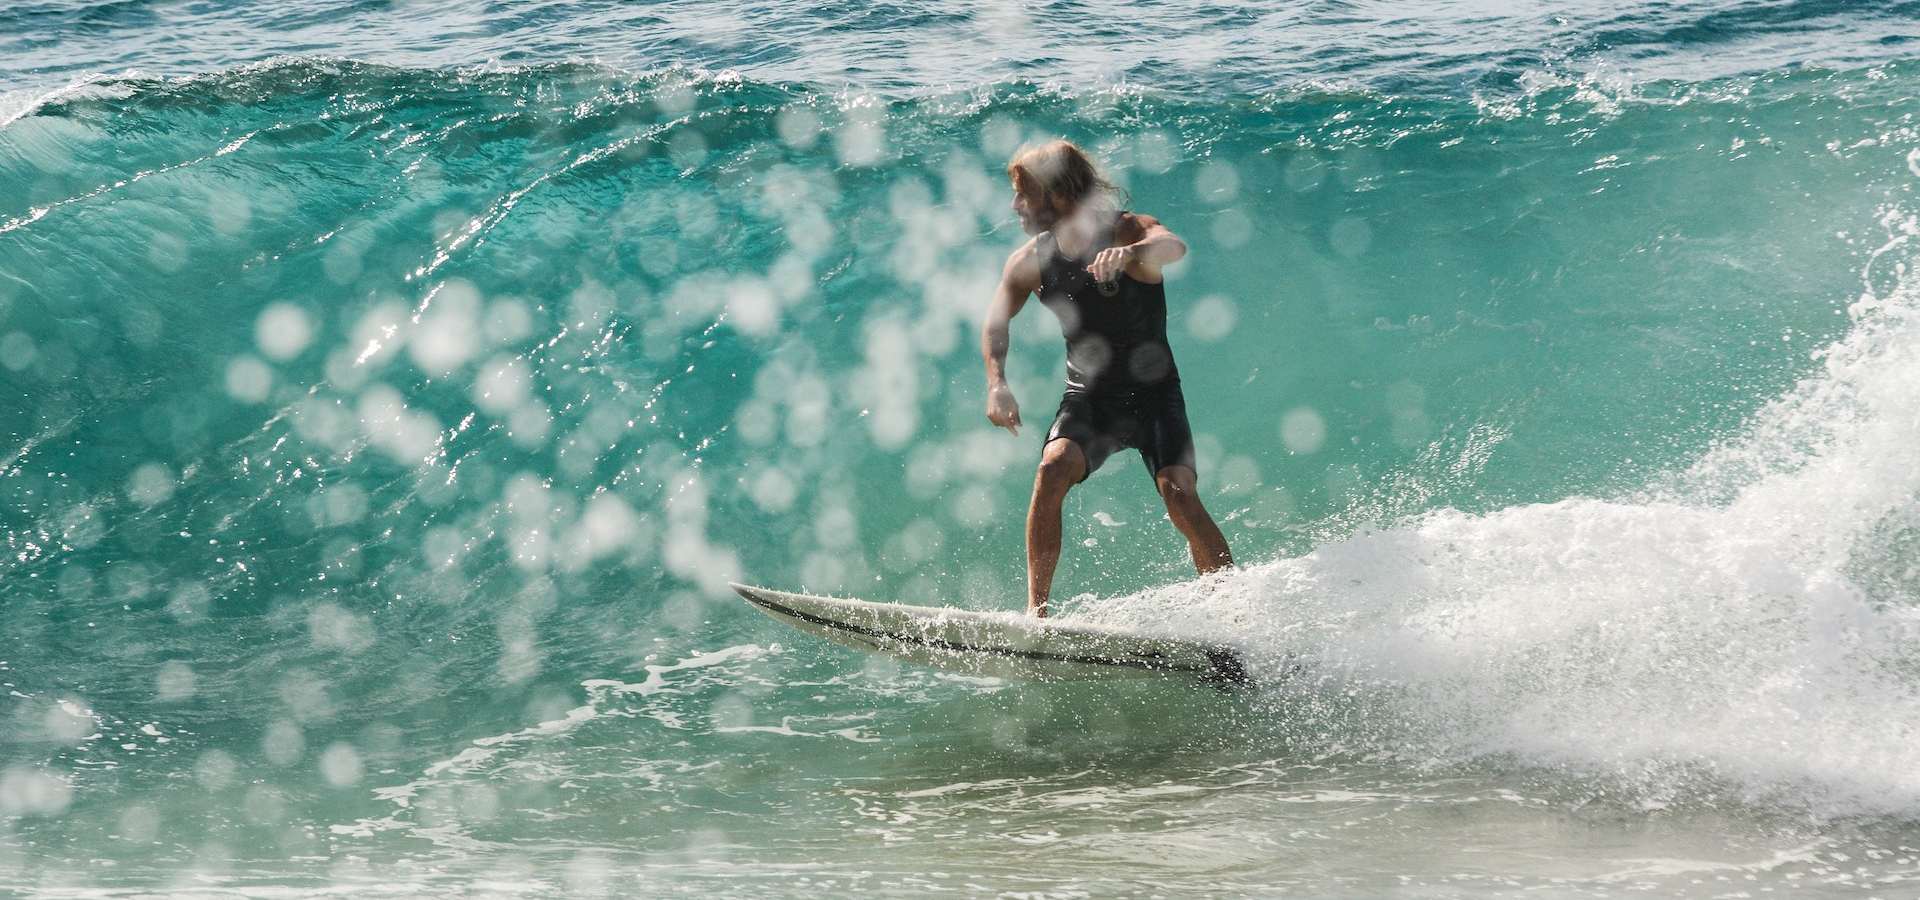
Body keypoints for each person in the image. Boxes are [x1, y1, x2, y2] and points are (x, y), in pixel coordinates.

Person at [981, 139, 1234, 618]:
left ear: (1056, 193)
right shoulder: (1029, 260)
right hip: (1089, 398)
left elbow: (1173, 245)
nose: (1014, 205)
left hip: (1156, 397)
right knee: (1051, 469)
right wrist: (997, 382)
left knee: (1179, 494)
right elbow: (995, 322)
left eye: (1023, 193)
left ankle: (1231, 608)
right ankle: (1037, 615)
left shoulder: (1126, 231)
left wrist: (1133, 253)